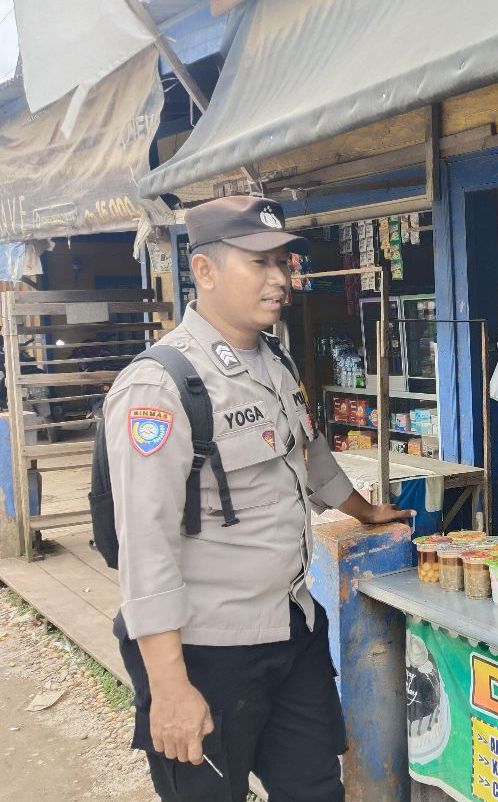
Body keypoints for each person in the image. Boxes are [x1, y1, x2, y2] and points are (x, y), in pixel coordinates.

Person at [106, 196, 413, 801]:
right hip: (208, 650)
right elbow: (145, 546)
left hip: (292, 628)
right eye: (260, 263)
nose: (281, 280)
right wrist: (169, 687)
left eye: (283, 262)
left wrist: (363, 510)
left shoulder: (275, 359)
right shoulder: (160, 386)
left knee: (315, 790)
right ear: (205, 270)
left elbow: (309, 452)